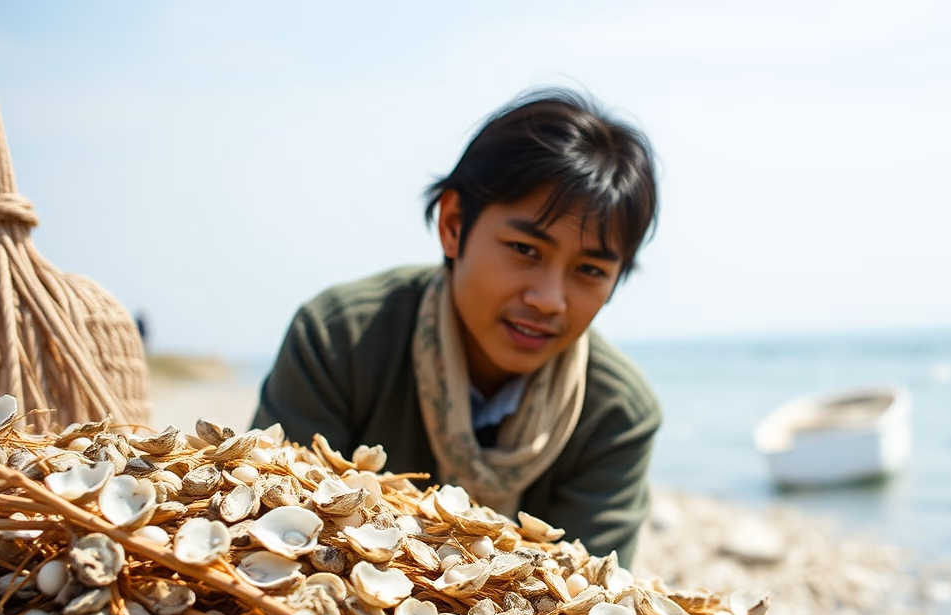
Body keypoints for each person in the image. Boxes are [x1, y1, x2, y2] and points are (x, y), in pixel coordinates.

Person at [252, 89, 661, 567]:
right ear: (452, 224)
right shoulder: (338, 339)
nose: (549, 300)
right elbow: (271, 529)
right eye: (525, 250)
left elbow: (594, 598)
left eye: (590, 270)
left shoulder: (616, 415)